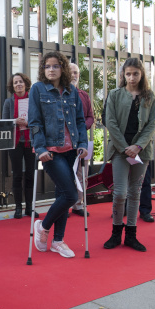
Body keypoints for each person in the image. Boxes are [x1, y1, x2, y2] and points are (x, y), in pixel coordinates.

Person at [29, 51, 88, 258]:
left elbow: (80, 120)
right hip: (51, 152)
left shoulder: (72, 91)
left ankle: (58, 240)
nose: (51, 70)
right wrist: (41, 148)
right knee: (71, 195)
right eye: (47, 66)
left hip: (71, 150)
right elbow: (34, 122)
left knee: (62, 194)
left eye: (55, 66)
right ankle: (43, 227)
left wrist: (82, 143)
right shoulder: (37, 89)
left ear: (63, 68)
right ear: (43, 69)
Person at [103, 58, 155, 252]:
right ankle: (116, 232)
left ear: (141, 74)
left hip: (141, 151)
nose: (132, 77)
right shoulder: (115, 95)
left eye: (135, 73)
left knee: (135, 193)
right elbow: (110, 122)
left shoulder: (149, 96)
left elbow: (151, 125)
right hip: (119, 150)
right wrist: (126, 147)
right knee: (120, 193)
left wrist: (138, 146)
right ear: (123, 75)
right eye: (128, 74)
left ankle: (131, 235)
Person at [2, 72, 38, 219]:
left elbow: (39, 120)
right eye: (15, 82)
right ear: (12, 86)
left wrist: (28, 123)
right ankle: (18, 208)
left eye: (21, 82)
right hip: (15, 143)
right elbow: (4, 123)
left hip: (31, 143)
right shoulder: (8, 103)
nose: (18, 84)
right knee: (17, 175)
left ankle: (29, 208)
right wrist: (14, 121)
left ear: (26, 83)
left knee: (30, 175)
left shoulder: (33, 100)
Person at [68, 62, 95, 218]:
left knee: (81, 175)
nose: (74, 75)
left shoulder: (84, 95)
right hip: (65, 142)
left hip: (82, 142)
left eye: (76, 72)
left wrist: (81, 127)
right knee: (65, 175)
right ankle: (64, 206)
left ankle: (78, 205)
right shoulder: (60, 94)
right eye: (71, 72)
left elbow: (91, 117)